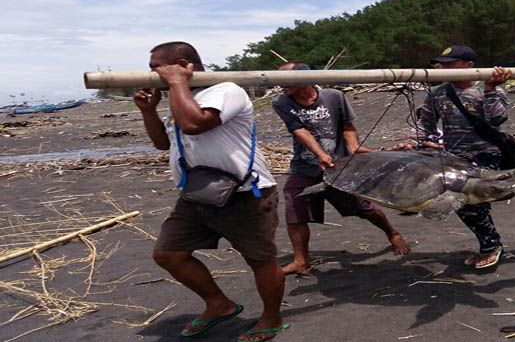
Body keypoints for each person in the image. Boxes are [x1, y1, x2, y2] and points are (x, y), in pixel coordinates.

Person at [134, 42, 287, 341]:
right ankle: (219, 304)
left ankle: (272, 317)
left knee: (260, 260)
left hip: (246, 193)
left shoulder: (225, 90)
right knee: (168, 254)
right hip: (197, 194)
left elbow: (195, 124)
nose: (153, 73)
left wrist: (176, 82)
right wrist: (148, 111)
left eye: (156, 67)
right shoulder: (184, 97)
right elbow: (163, 144)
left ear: (182, 64)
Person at [273, 62, 409, 276]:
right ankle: (301, 260)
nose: (279, 85)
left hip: (340, 165)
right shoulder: (282, 102)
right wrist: (320, 154)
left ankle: (392, 233)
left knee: (363, 208)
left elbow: (347, 125)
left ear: (304, 78)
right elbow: (299, 131)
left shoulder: (333, 97)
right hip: (304, 166)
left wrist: (354, 147)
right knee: (295, 209)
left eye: (283, 80)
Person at [414, 45, 511, 269]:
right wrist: (410, 141)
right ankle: (490, 243)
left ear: (469, 66)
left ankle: (491, 246)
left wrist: (490, 90)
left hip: (486, 153)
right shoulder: (438, 93)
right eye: (442, 64)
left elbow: (497, 119)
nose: (443, 68)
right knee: (466, 202)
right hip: (454, 155)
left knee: (469, 200)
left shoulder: (487, 87)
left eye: (450, 64)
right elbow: (425, 124)